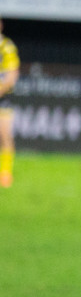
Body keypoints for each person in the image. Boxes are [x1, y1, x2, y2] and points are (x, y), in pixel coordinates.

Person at [0, 17, 20, 188]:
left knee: (5, 134)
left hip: (3, 99)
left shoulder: (6, 47)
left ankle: (5, 173)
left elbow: (11, 77)